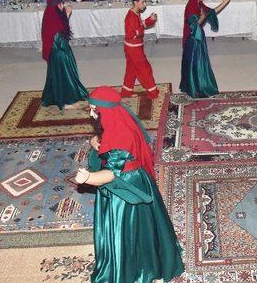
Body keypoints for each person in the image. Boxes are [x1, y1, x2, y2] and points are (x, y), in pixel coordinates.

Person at [75, 86, 185, 283]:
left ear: (105, 111)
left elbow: (110, 175)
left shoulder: (119, 136)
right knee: (145, 227)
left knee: (126, 230)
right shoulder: (119, 120)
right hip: (137, 180)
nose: (91, 115)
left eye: (94, 110)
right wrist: (94, 142)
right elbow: (106, 143)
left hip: (125, 189)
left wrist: (88, 179)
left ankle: (131, 270)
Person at [180, 0, 231, 98]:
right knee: (196, 63)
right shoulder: (190, 8)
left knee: (200, 63)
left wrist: (225, 2)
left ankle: (199, 85)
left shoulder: (199, 4)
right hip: (193, 40)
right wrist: (202, 17)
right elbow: (193, 26)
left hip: (199, 37)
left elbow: (212, 12)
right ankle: (196, 87)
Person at [40, 0, 88, 110]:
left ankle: (60, 97)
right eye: (60, 4)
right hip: (58, 53)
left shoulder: (52, 14)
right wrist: (67, 15)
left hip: (58, 51)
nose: (62, 6)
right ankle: (65, 101)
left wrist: (65, 15)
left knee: (61, 75)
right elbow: (59, 38)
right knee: (64, 75)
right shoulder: (52, 18)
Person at [122, 0, 159, 100]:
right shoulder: (130, 17)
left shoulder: (135, 13)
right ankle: (153, 93)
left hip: (133, 47)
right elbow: (133, 33)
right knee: (145, 69)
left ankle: (126, 92)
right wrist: (144, 25)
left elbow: (139, 25)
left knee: (131, 69)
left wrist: (150, 20)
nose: (144, 5)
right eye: (142, 2)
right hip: (134, 49)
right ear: (135, 2)